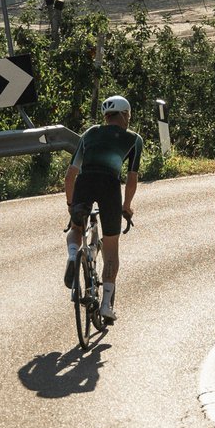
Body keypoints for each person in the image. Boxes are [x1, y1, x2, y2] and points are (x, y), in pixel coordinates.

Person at [63, 95, 143, 324]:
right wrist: (126, 207)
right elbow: (132, 178)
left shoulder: (89, 134)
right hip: (109, 187)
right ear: (126, 115)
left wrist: (71, 207)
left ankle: (72, 256)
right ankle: (106, 304)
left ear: (106, 116)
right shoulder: (134, 139)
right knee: (111, 247)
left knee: (77, 228)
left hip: (85, 182)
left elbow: (70, 176)